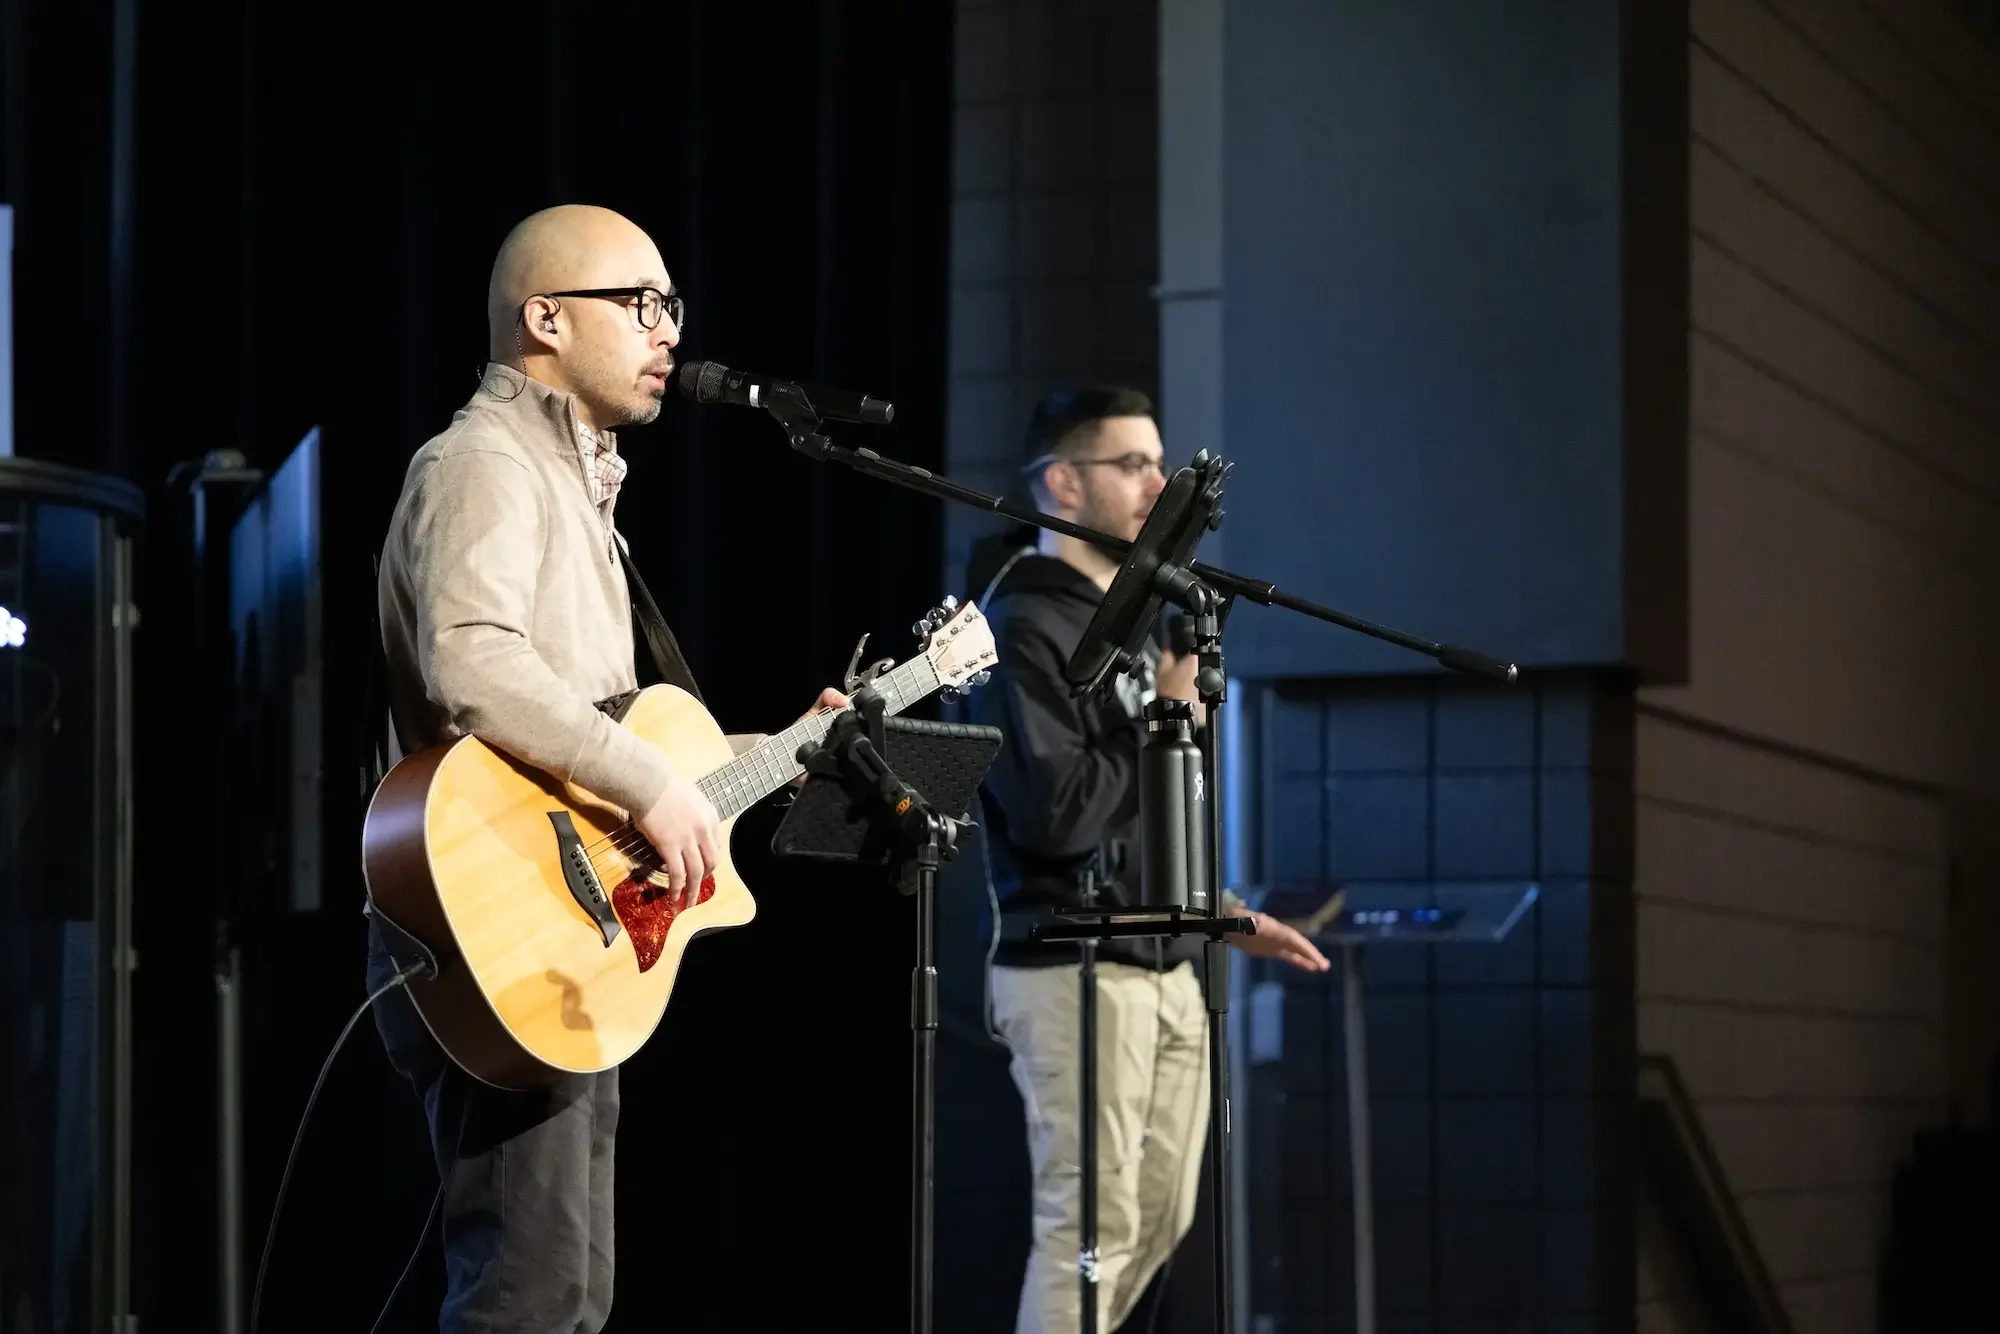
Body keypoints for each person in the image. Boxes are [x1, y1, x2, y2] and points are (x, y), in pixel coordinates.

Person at [364, 203, 843, 1332]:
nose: (668, 329)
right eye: (640, 302)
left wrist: (777, 750)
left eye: (671, 305)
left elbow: (597, 738)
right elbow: (471, 663)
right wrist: (649, 782)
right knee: (531, 1294)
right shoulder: (484, 460)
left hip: (555, 923)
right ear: (543, 318)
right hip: (495, 921)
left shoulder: (575, 489)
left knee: (563, 1291)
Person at [962, 387, 1331, 1334]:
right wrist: (1164, 717)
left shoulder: (1136, 626)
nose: (1157, 485)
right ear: (1061, 484)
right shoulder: (1018, 630)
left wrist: (1226, 912)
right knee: (1090, 1229)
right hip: (1073, 967)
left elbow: (1145, 826)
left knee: (1159, 1221)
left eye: (1160, 463)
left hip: (1167, 965)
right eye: (1131, 464)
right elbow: (1058, 817)